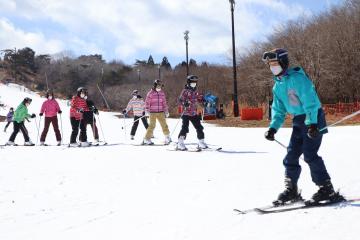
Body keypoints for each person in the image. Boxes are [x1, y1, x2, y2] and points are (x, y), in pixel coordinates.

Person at [262, 48, 344, 206]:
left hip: (313, 117)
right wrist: (273, 128)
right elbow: (278, 110)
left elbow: (310, 102)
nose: (273, 67)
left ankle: (326, 188)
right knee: (291, 155)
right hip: (298, 121)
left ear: (283, 63)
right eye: (270, 65)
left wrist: (313, 124)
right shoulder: (277, 86)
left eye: (275, 63)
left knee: (309, 154)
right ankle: (291, 190)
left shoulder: (299, 79)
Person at [176, 75, 208, 150]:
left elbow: (200, 98)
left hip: (193, 113)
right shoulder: (185, 91)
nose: (194, 83)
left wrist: (204, 101)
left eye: (195, 82)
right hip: (186, 113)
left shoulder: (196, 91)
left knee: (199, 127)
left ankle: (201, 142)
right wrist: (184, 103)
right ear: (189, 82)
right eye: (192, 82)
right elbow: (180, 100)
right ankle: (180, 143)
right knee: (185, 128)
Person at [143, 79, 171, 145]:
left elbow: (164, 103)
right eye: (158, 86)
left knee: (164, 125)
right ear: (155, 86)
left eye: (160, 86)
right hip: (152, 112)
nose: (159, 88)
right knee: (152, 125)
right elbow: (147, 103)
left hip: (161, 112)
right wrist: (147, 110)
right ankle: (147, 139)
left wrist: (166, 111)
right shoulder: (150, 93)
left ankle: (167, 137)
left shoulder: (162, 93)